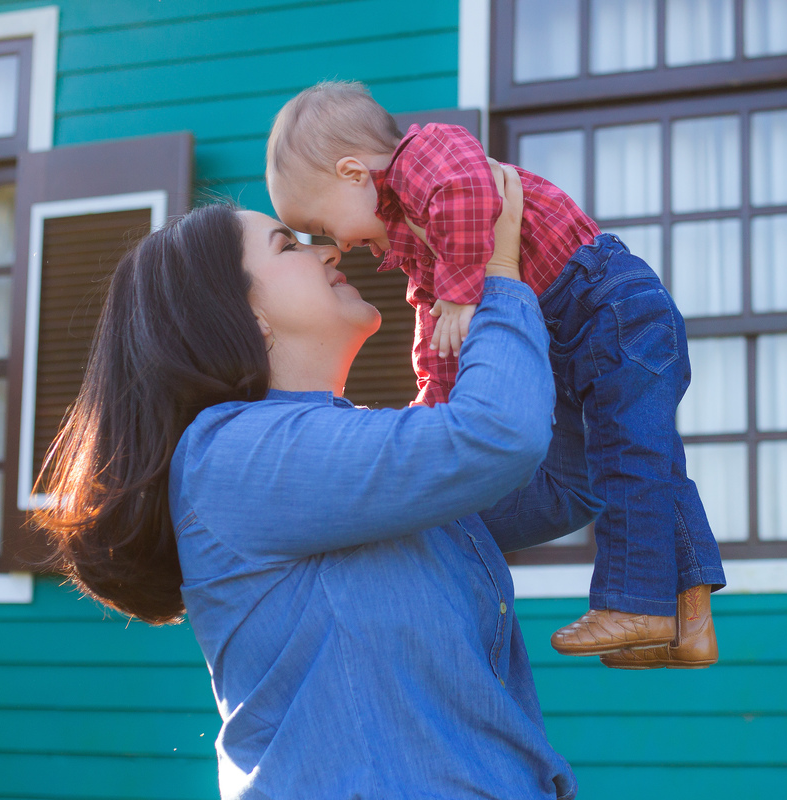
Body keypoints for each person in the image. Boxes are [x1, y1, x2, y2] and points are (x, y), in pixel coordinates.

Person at [35, 166, 599, 798]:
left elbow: (564, 483)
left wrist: (579, 314)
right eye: (288, 245)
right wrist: (495, 276)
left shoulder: (350, 451)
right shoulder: (234, 458)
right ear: (244, 316)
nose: (328, 248)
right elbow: (497, 434)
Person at [264, 81, 726, 668]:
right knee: (647, 458)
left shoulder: (424, 158)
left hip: (606, 304)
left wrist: (460, 291)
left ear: (354, 173)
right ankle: (688, 623)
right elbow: (433, 326)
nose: (343, 245)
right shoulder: (413, 234)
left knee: (628, 454)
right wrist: (431, 406)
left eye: (328, 226)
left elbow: (467, 190)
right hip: (575, 326)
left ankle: (634, 602)